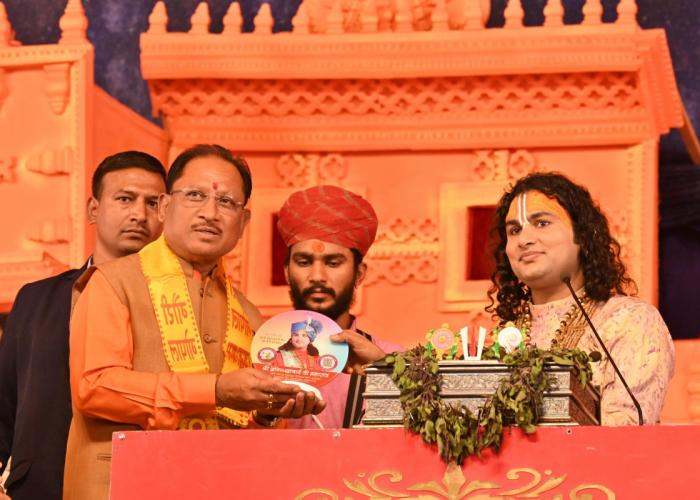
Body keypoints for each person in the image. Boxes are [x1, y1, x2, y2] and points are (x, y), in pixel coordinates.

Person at [64, 145, 324, 500]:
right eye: (195, 195)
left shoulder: (248, 315)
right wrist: (215, 390)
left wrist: (267, 413)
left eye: (227, 202)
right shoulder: (113, 282)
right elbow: (94, 387)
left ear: (244, 222)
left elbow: (244, 436)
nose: (210, 213)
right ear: (166, 205)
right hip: (124, 485)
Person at [0, 151, 167, 500]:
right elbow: (5, 403)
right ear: (94, 209)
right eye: (125, 199)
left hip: (135, 484)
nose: (140, 214)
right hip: (42, 485)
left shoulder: (174, 307)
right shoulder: (35, 300)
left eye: (153, 203)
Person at [486, 172, 675, 425]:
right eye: (514, 230)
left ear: (582, 237)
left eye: (542, 223)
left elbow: (625, 434)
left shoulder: (628, 321)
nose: (525, 240)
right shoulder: (506, 338)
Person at [277, 185, 401, 429]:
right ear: (286, 272)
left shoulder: (392, 359)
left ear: (359, 274)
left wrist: (386, 370)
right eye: (304, 262)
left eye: (333, 263)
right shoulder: (258, 355)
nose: (317, 276)